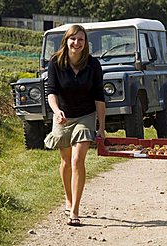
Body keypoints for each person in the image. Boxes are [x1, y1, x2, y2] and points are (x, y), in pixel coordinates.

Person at [44, 24, 106, 226]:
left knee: (78, 160)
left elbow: (99, 97)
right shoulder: (55, 62)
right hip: (62, 116)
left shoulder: (93, 65)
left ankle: (75, 210)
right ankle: (68, 199)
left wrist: (101, 127)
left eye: (81, 39)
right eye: (73, 39)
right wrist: (56, 111)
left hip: (85, 116)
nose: (77, 43)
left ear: (85, 43)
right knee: (66, 160)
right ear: (66, 40)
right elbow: (51, 92)